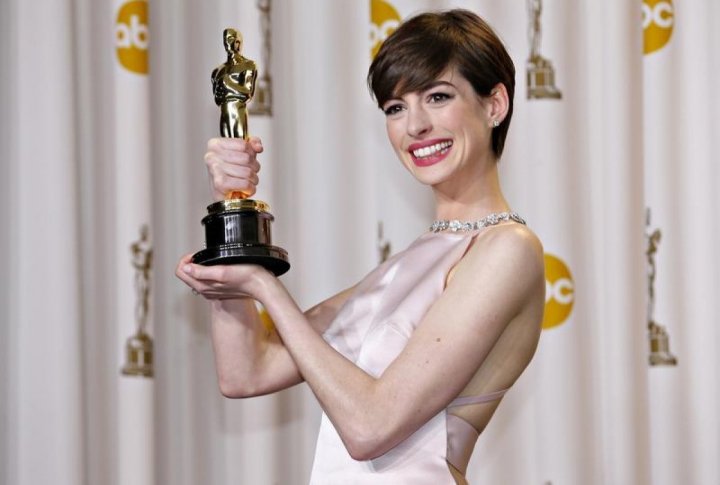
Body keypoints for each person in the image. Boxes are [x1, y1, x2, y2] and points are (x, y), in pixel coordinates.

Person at [177, 9, 545, 484]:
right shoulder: (414, 260)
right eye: (396, 107)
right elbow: (247, 372)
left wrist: (263, 287)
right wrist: (232, 213)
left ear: (495, 104)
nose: (415, 125)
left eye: (437, 96)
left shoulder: (507, 249)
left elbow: (371, 427)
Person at [211, 28, 257, 139]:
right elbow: (217, 98)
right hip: (225, 113)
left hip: (238, 111)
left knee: (240, 146)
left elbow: (247, 93)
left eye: (231, 39)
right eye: (225, 39)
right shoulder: (217, 71)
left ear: (238, 42)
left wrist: (228, 84)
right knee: (226, 148)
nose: (228, 43)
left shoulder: (249, 65)